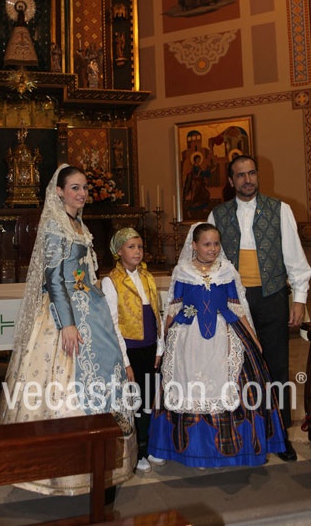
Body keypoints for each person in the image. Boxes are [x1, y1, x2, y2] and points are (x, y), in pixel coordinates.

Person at [0, 164, 137, 495]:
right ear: (59, 192)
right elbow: (54, 279)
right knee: (62, 385)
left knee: (106, 375)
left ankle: (104, 464)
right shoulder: (55, 225)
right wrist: (68, 324)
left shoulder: (78, 224)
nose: (82, 193)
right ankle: (65, 469)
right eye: (75, 187)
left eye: (84, 187)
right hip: (65, 314)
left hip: (91, 310)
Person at [147, 222, 286, 468]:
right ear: (194, 245)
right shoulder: (183, 271)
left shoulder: (227, 270)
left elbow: (237, 305)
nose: (212, 249)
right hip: (188, 339)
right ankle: (185, 449)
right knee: (185, 387)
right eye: (206, 244)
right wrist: (165, 341)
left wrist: (252, 337)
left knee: (235, 386)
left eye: (216, 244)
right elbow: (174, 306)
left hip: (225, 335)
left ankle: (230, 450)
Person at [209, 154, 311, 461]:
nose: (248, 179)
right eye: (241, 175)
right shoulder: (218, 215)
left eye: (252, 173)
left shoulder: (280, 210)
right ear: (231, 181)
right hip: (234, 301)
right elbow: (209, 260)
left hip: (271, 297)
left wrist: (299, 299)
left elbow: (295, 259)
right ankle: (244, 433)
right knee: (237, 368)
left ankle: (279, 436)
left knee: (276, 367)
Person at [101, 228, 165, 474]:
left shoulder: (147, 276)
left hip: (150, 348)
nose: (137, 251)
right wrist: (125, 361)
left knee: (149, 399)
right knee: (134, 401)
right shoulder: (111, 281)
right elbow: (113, 323)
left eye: (139, 247)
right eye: (131, 247)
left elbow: (156, 314)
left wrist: (160, 347)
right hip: (130, 350)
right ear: (119, 251)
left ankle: (148, 445)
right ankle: (136, 451)